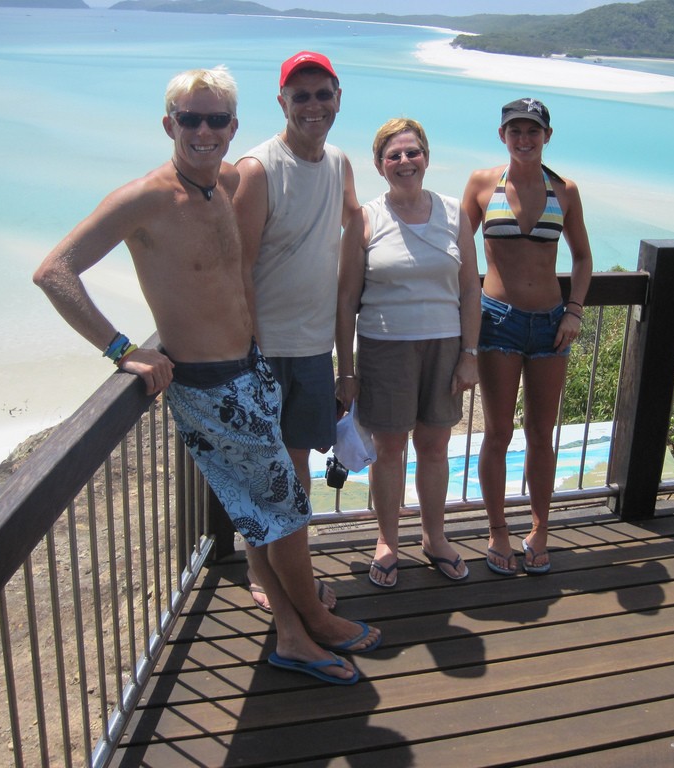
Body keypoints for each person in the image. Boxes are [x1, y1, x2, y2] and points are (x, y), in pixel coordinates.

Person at [33, 66, 379, 686]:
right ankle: (313, 624)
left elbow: (309, 212)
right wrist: (121, 349)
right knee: (288, 512)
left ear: (234, 127)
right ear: (168, 124)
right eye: (190, 118)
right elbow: (55, 271)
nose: (203, 130)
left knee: (262, 513)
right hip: (208, 386)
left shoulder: (226, 183)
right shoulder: (145, 198)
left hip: (249, 370)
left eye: (216, 119)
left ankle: (293, 636)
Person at [233, 51, 358, 611]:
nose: (312, 105)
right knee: (267, 472)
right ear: (281, 102)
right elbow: (238, 267)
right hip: (265, 351)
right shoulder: (258, 169)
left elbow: (356, 224)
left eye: (322, 94)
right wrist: (250, 354)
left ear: (338, 98)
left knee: (298, 465)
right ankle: (266, 575)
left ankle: (292, 571)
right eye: (300, 95)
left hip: (313, 347)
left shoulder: (339, 163)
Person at [336, 118, 481, 588]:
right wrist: (347, 369)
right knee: (390, 448)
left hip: (444, 345)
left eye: (412, 152)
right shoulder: (365, 218)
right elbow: (345, 300)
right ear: (380, 166)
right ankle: (387, 541)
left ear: (426, 157)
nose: (404, 162)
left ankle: (434, 537)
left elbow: (469, 292)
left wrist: (470, 353)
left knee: (435, 446)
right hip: (384, 347)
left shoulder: (454, 214)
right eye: (393, 155)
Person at [462, 97, 593, 576]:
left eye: (532, 131)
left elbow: (582, 257)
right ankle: (497, 531)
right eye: (515, 130)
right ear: (502, 135)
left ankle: (539, 529)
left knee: (542, 432)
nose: (524, 138)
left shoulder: (565, 190)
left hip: (549, 324)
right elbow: (459, 252)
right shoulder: (481, 183)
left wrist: (574, 311)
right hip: (497, 321)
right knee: (498, 431)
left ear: (547, 136)